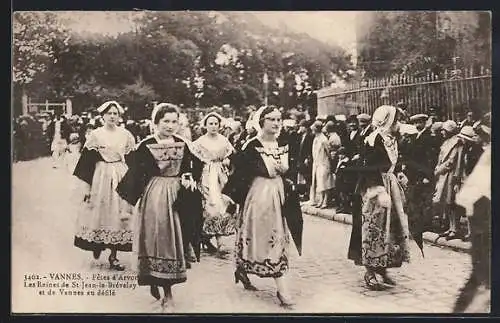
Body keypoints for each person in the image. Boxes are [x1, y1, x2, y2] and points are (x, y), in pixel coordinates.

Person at [116, 103, 203, 311]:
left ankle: (166, 284)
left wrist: (190, 178)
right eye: (166, 121)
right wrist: (126, 208)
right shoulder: (146, 144)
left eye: (174, 121)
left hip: (178, 197)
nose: (171, 126)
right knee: (157, 240)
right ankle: (165, 291)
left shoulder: (184, 143)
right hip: (155, 196)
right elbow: (135, 175)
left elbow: (194, 166)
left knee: (175, 241)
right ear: (156, 123)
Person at [223, 105, 302, 308]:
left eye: (278, 119)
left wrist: (290, 182)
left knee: (277, 239)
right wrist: (230, 199)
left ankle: (280, 287)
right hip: (259, 196)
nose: (276, 123)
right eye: (271, 119)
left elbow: (294, 168)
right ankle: (245, 268)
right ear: (262, 122)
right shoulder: (252, 145)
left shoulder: (285, 142)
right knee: (259, 237)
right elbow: (237, 173)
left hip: (280, 195)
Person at [348, 105, 415, 291]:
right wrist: (378, 190)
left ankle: (384, 268)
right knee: (374, 228)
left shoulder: (392, 138)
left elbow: (394, 160)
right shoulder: (373, 139)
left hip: (391, 184)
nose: (398, 124)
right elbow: (368, 167)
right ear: (387, 121)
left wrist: (400, 172)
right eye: (396, 121)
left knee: (392, 228)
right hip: (375, 188)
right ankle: (370, 271)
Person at [73, 101, 136, 271]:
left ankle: (114, 255)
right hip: (100, 175)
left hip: (120, 174)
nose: (112, 116)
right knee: (100, 212)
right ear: (102, 116)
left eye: (115, 113)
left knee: (118, 214)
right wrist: (87, 188)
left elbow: (132, 160)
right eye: (109, 113)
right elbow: (85, 163)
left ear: (119, 116)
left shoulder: (126, 135)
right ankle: (97, 244)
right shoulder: (96, 135)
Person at [190, 111, 236, 257]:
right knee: (210, 206)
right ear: (205, 125)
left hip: (221, 175)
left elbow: (231, 156)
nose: (214, 126)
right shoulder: (199, 142)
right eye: (210, 123)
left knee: (222, 206)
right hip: (206, 175)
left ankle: (220, 240)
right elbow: (194, 159)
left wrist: (227, 162)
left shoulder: (224, 140)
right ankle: (207, 237)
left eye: (216, 123)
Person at [432, 120, 464, 240]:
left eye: (444, 130)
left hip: (451, 175)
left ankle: (455, 228)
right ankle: (450, 228)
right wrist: (438, 168)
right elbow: (440, 158)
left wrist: (439, 169)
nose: (442, 132)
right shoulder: (447, 142)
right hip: (444, 175)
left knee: (452, 202)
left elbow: (451, 161)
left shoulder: (456, 142)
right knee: (447, 201)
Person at [309, 120, 335, 208]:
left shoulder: (323, 139)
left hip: (324, 162)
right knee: (319, 182)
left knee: (325, 182)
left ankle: (325, 201)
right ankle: (320, 200)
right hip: (317, 162)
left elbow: (328, 152)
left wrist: (330, 162)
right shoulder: (316, 138)